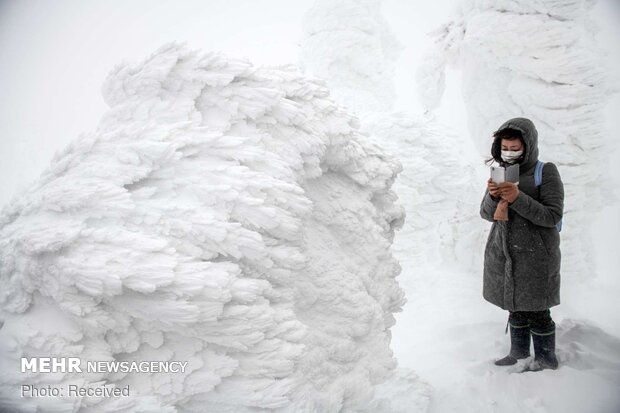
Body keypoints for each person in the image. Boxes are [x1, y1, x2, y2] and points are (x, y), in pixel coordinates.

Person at [480, 117, 564, 372]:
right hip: (505, 254)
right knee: (515, 307)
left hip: (536, 255)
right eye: (505, 147)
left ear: (528, 146)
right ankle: (518, 353)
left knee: (538, 311)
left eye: (515, 148)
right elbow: (485, 213)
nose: (509, 152)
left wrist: (517, 197)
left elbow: (552, 216)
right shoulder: (500, 170)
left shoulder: (545, 171)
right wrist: (494, 197)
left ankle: (546, 359)